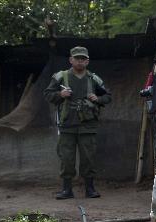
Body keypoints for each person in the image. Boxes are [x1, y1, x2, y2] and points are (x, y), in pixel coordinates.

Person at [44, 46, 111, 199]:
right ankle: (67, 190)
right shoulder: (61, 77)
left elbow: (108, 96)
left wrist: (98, 99)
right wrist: (60, 94)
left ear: (87, 61)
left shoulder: (93, 78)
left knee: (88, 158)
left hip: (88, 125)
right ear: (71, 60)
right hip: (67, 125)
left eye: (83, 59)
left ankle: (90, 189)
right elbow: (47, 94)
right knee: (66, 158)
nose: (80, 61)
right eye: (77, 58)